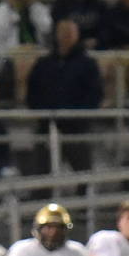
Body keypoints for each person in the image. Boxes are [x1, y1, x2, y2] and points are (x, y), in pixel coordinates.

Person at [25, 17, 102, 172]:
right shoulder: (43, 64)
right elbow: (32, 92)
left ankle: (85, 194)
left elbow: (94, 94)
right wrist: (43, 113)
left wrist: (77, 114)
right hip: (47, 124)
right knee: (41, 172)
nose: (66, 36)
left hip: (76, 127)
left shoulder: (88, 65)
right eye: (63, 32)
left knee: (83, 172)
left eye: (70, 33)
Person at [0, 0, 52, 94]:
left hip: (36, 59)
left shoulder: (37, 8)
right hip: (8, 61)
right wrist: (15, 13)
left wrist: (31, 7)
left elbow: (47, 27)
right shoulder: (3, 10)